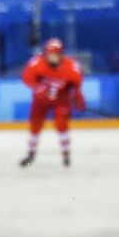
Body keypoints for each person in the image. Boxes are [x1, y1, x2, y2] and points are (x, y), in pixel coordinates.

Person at [19, 37, 83, 167]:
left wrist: (77, 96)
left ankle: (66, 155)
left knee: (61, 124)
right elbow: (27, 79)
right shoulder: (36, 64)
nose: (52, 56)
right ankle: (31, 154)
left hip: (61, 100)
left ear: (61, 54)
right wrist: (41, 89)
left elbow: (76, 84)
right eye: (49, 53)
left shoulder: (71, 66)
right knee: (35, 125)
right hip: (40, 100)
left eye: (55, 54)